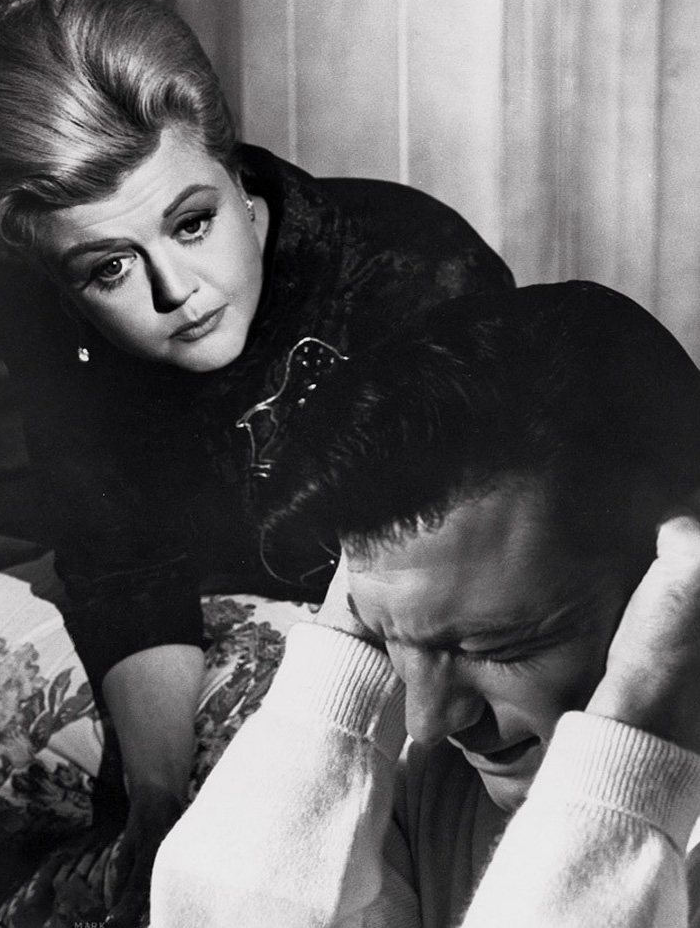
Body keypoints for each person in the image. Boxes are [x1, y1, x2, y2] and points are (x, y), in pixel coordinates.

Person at [0, 0, 514, 922]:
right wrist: (156, 802)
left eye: (191, 221)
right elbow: (124, 563)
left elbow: (484, 573)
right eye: (109, 267)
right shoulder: (51, 328)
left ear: (234, 170)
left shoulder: (411, 267)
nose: (177, 290)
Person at [150, 280, 700, 927]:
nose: (426, 721)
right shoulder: (414, 781)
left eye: (496, 646)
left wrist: (633, 749)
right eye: (384, 640)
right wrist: (339, 679)